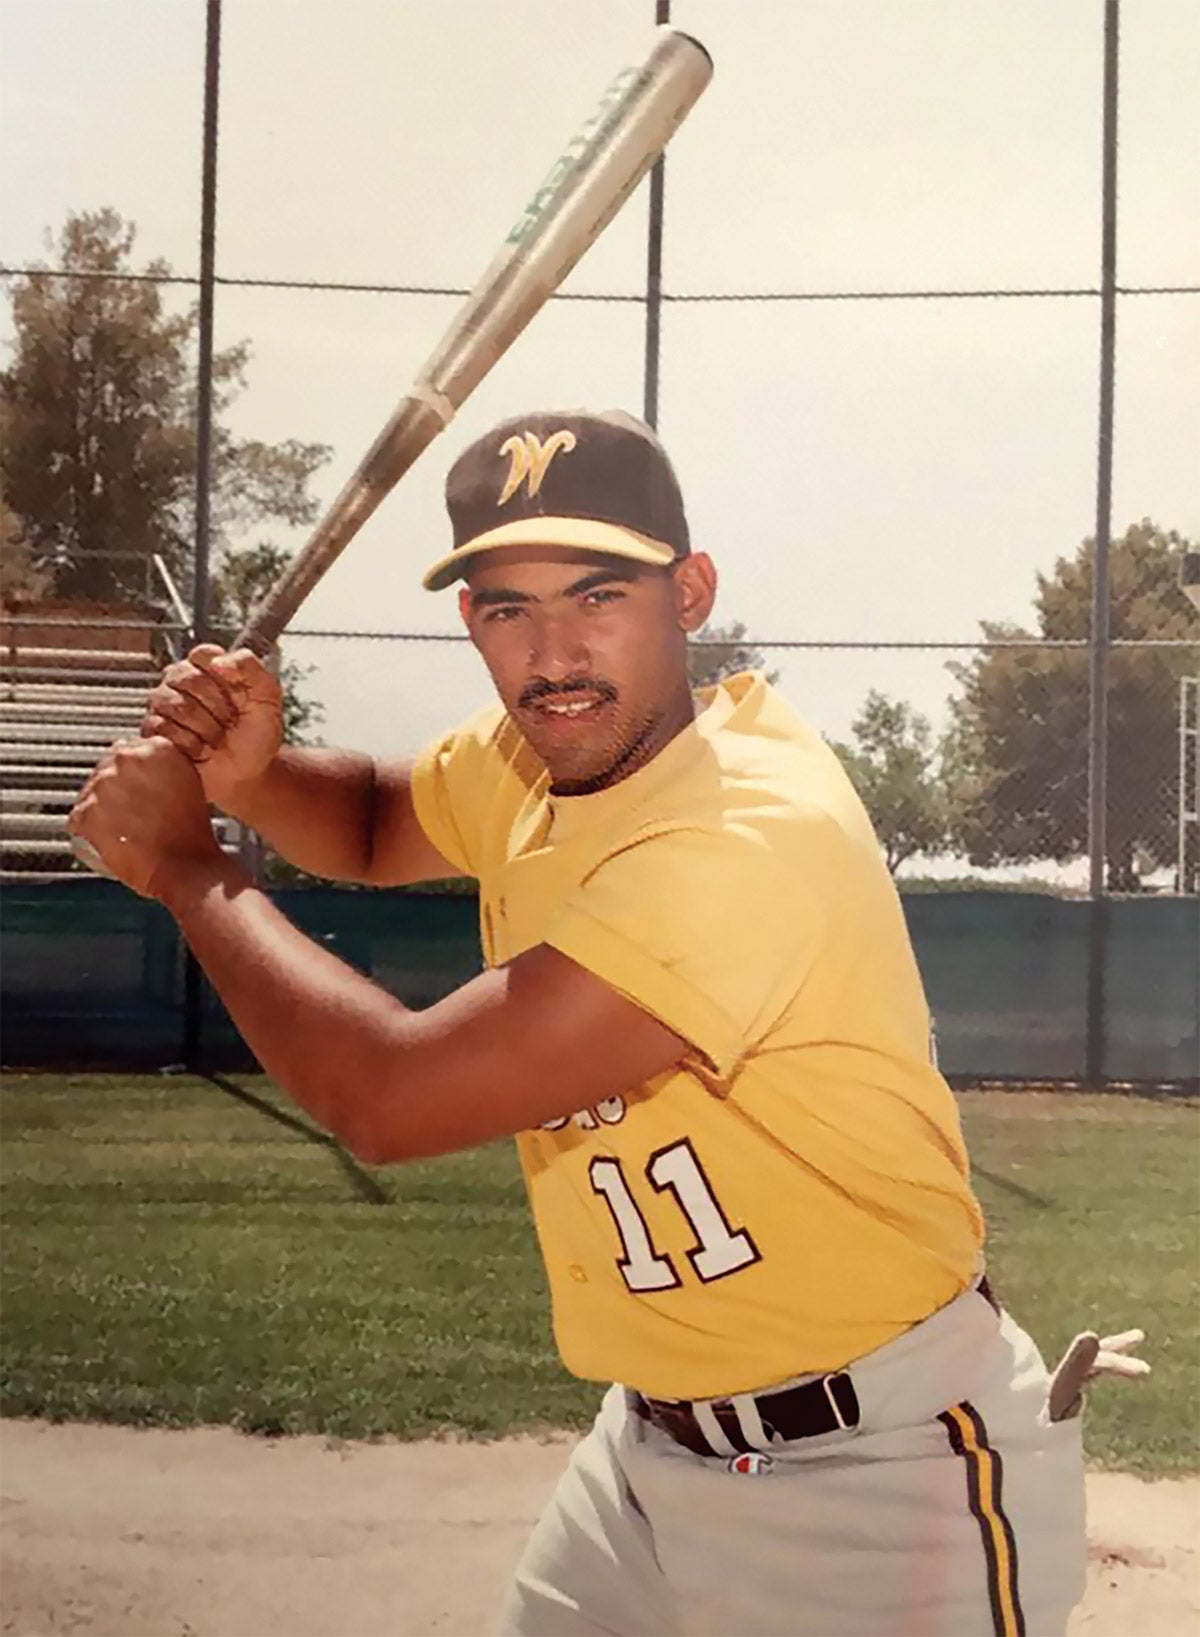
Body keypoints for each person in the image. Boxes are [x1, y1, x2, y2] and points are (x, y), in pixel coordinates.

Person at [71, 408, 1141, 1637]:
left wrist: (190, 869)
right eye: (507, 607)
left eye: (598, 594)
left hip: (881, 1477)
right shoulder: (535, 761)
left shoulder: (746, 829)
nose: (555, 653)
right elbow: (373, 817)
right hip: (645, 1455)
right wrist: (253, 772)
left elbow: (387, 1097)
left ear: (689, 591)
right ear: (470, 619)